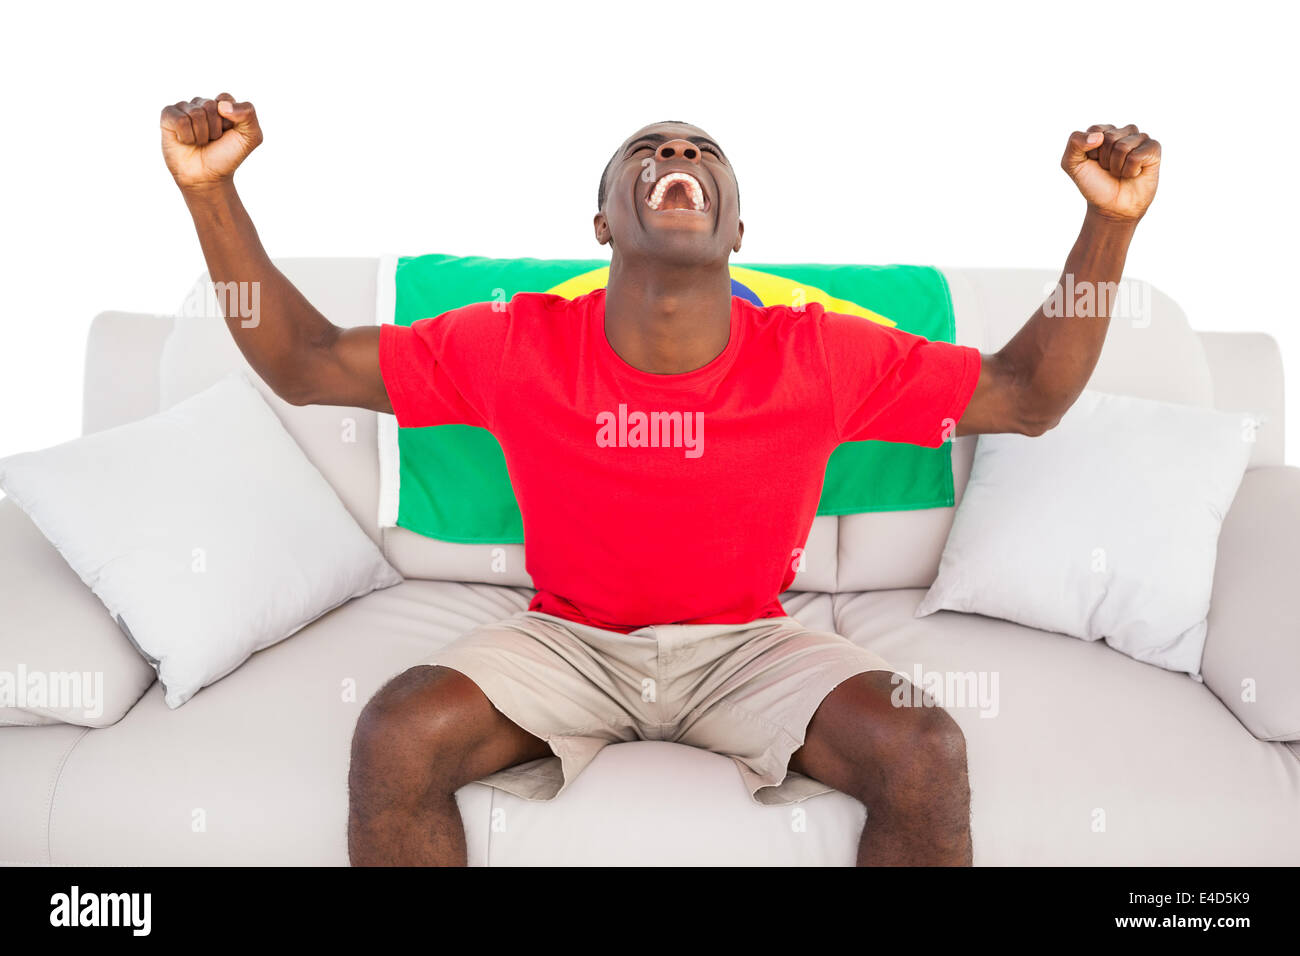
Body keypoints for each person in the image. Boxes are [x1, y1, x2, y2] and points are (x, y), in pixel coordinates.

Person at [160, 93, 1160, 866]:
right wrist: (211, 192)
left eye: (698, 150)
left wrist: (1107, 224)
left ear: (735, 230)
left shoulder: (821, 353)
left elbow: (1027, 395)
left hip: (748, 643)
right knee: (396, 729)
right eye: (649, 148)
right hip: (568, 638)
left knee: (923, 746)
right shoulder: (516, 341)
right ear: (601, 221)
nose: (675, 155)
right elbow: (308, 361)